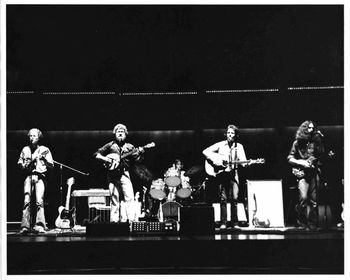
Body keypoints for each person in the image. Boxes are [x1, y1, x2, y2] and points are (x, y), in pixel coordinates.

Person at [95, 124, 144, 222]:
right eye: (118, 131)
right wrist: (105, 159)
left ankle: (131, 221)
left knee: (129, 197)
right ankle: (114, 221)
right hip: (112, 175)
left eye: (122, 132)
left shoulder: (130, 147)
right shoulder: (110, 145)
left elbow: (137, 160)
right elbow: (96, 154)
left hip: (124, 174)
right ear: (115, 134)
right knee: (114, 198)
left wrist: (141, 153)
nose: (120, 133)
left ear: (125, 134)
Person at [203, 124, 249, 229]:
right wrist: (216, 160)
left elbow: (243, 161)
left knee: (234, 198)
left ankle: (235, 223)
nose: (230, 135)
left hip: (233, 175)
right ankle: (223, 223)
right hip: (222, 175)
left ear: (235, 135)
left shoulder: (239, 147)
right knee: (223, 199)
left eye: (232, 133)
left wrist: (247, 163)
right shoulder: (220, 145)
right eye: (228, 133)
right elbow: (205, 151)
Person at [287, 120, 326, 230]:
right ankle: (301, 223)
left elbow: (322, 156)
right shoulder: (297, 143)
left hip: (314, 172)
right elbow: (290, 158)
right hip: (302, 173)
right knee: (303, 198)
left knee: (314, 201)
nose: (311, 130)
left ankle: (312, 224)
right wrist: (301, 162)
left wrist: (321, 141)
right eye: (309, 128)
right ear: (304, 129)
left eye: (312, 128)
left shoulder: (317, 142)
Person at [17, 128, 54, 234]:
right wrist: (24, 164)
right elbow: (20, 164)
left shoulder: (44, 149)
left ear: (38, 137)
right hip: (28, 176)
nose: (31, 138)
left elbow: (51, 165)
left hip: (39, 177)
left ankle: (40, 225)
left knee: (39, 201)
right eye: (30, 136)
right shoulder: (25, 149)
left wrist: (44, 160)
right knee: (26, 201)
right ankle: (25, 226)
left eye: (34, 136)